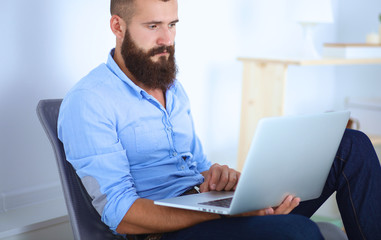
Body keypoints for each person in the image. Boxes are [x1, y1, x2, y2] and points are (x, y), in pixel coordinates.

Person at [57, 0, 381, 239]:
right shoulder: (90, 101)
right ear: (118, 26)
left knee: (350, 145)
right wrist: (216, 215)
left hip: (207, 210)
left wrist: (220, 179)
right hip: (162, 231)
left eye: (172, 25)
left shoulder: (171, 86)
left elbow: (197, 166)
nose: (167, 40)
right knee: (299, 231)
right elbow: (121, 215)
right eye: (153, 26)